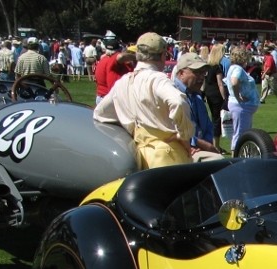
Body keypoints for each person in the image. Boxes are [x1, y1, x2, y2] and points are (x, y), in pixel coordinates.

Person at [93, 32, 194, 169]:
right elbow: (178, 102)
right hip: (168, 156)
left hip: (138, 157)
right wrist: (183, 135)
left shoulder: (123, 82)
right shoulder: (158, 79)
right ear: (163, 55)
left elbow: (100, 114)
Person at [173, 52, 223, 161]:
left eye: (203, 73)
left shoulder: (197, 96)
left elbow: (208, 128)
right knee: (219, 161)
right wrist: (199, 144)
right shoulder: (172, 95)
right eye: (197, 72)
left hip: (200, 150)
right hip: (181, 151)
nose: (201, 77)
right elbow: (172, 131)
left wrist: (206, 146)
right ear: (181, 73)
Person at [224, 45, 259, 152]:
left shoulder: (233, 68)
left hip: (243, 107)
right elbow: (234, 82)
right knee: (240, 133)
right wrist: (238, 96)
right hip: (241, 106)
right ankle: (236, 155)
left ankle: (243, 153)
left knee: (243, 132)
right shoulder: (238, 69)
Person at [94, 35, 135, 104]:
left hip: (103, 96)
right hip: (111, 97)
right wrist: (137, 57)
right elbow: (120, 56)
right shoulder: (114, 58)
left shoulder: (105, 58)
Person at [204, 44, 227, 150]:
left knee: (214, 118)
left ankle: (215, 144)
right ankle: (216, 145)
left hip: (209, 94)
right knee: (217, 120)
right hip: (216, 95)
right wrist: (224, 98)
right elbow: (220, 84)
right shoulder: (217, 67)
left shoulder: (208, 66)